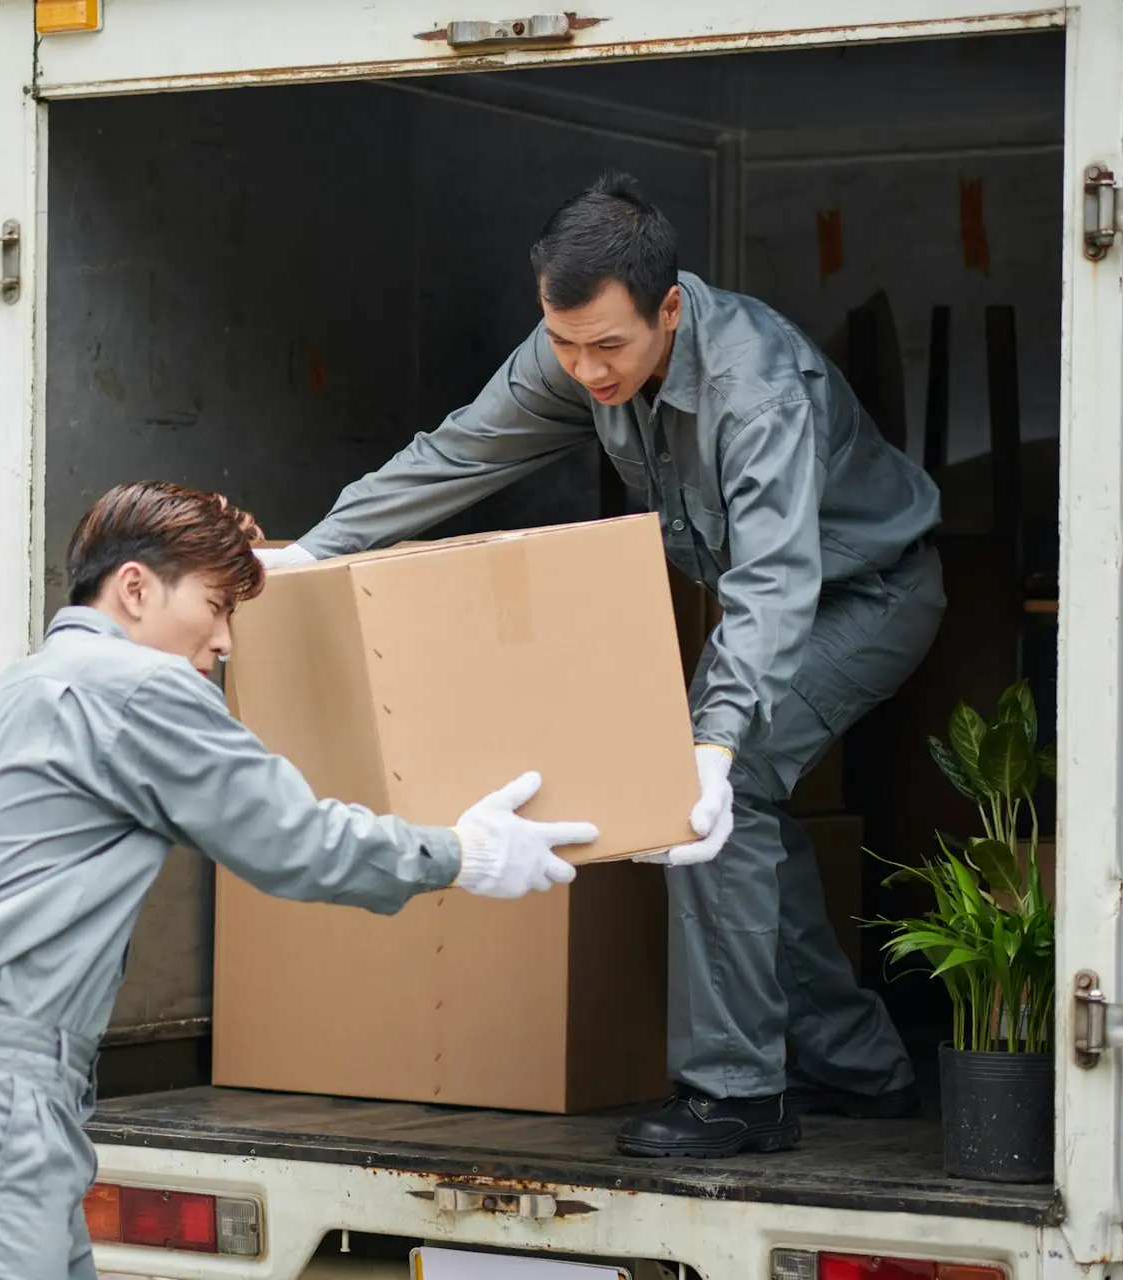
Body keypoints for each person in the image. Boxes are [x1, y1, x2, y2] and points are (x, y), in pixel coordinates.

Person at [258, 173, 945, 1159]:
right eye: (563, 342)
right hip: (769, 597)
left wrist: (712, 738)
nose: (584, 369)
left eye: (608, 346)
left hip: (866, 596)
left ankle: (740, 1094)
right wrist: (317, 550)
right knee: (737, 816)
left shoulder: (759, 387)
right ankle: (861, 1065)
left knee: (720, 790)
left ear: (670, 307)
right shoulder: (575, 348)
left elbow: (777, 584)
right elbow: (457, 454)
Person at [0, 480, 602, 1279]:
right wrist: (464, 853)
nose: (225, 642)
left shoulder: (12, 692)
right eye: (216, 606)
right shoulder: (140, 688)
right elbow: (296, 840)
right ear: (136, 587)